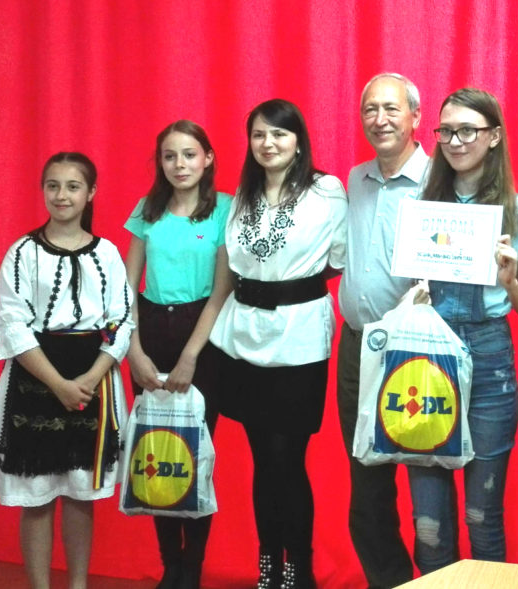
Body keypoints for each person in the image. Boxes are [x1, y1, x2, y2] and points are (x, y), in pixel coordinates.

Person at [407, 87, 518, 573]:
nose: (455, 141)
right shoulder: (421, 204)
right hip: (425, 356)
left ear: (495, 136)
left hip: (489, 360)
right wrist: (414, 294)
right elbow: (409, 283)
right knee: (428, 523)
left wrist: (510, 281)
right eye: (446, 131)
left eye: (468, 130)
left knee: (481, 516)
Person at [208, 99, 346, 589]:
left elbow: (338, 257)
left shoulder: (325, 190)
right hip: (243, 337)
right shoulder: (242, 196)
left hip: (299, 340)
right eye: (259, 135)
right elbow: (234, 265)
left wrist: (292, 286)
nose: (268, 143)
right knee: (263, 460)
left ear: (298, 141)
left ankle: (299, 568)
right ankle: (268, 564)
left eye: (279, 134)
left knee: (289, 459)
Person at [0, 152, 133, 589]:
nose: (61, 195)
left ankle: (78, 584)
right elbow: (11, 322)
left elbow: (122, 319)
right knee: (37, 496)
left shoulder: (107, 253)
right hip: (35, 378)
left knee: (82, 495)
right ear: (43, 191)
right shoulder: (22, 253)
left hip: (93, 379)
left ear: (91, 193)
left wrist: (90, 378)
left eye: (72, 186)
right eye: (53, 185)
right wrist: (58, 384)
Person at [124, 120, 233, 589]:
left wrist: (190, 356)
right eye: (169, 156)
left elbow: (222, 291)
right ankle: (170, 563)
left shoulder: (226, 208)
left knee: (194, 453)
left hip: (202, 337)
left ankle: (193, 566)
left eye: (189, 154)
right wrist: (133, 351)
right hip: (150, 332)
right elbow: (127, 288)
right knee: (156, 450)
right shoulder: (146, 210)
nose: (179, 164)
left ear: (207, 158)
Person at [337, 72, 427, 588]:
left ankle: (436, 579)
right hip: (356, 347)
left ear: (415, 116)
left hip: (417, 351)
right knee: (366, 481)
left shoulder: (440, 179)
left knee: (428, 480)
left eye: (392, 109)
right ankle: (388, 580)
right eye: (370, 109)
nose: (380, 119)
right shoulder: (355, 179)